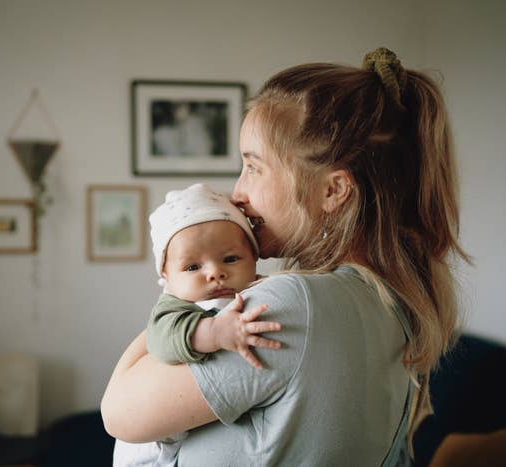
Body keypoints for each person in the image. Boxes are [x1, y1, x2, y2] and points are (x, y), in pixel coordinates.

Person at [101, 47, 470, 466]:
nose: (238, 192)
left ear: (333, 190)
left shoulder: (294, 303)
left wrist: (178, 295)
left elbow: (117, 412)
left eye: (253, 167)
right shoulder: (394, 305)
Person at [113, 183, 282, 467]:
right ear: (167, 274)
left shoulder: (263, 290)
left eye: (230, 259)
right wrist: (215, 332)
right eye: (193, 267)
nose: (215, 273)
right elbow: (163, 342)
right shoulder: (172, 307)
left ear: (253, 258)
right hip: (153, 450)